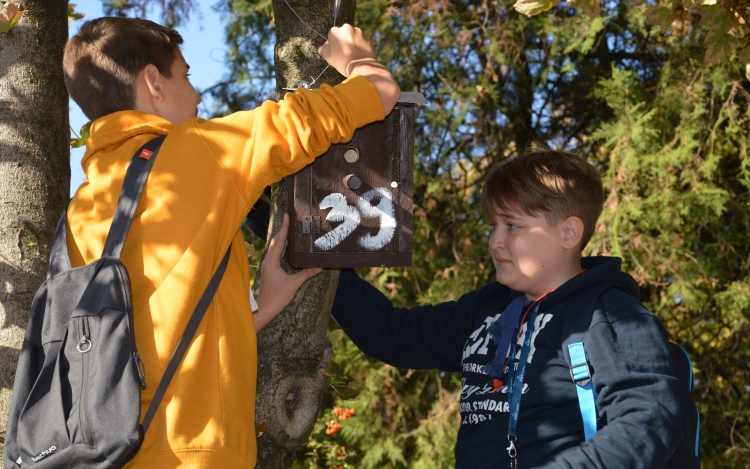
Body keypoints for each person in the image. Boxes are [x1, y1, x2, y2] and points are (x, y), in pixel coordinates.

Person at [62, 16, 399, 468]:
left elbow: (145, 340)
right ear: (153, 83)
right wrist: (359, 59)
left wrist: (261, 307)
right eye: (185, 74)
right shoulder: (198, 150)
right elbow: (376, 96)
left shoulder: (82, 209)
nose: (197, 94)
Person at [328, 150, 683, 468]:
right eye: (493, 226)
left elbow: (647, 420)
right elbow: (392, 335)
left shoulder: (609, 314)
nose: (495, 241)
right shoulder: (486, 308)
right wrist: (321, 260)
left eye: (512, 225)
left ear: (569, 233)